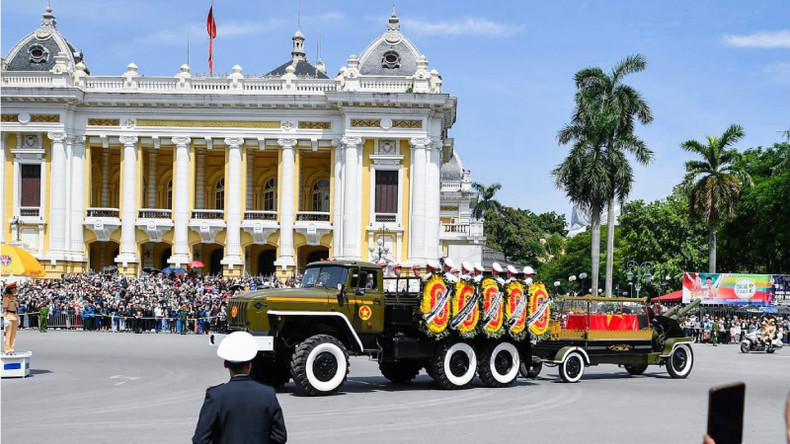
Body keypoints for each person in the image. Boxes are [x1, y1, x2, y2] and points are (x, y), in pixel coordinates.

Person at [192, 331, 287, 444]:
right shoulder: (268, 394)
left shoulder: (215, 396)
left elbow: (200, 439)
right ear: (250, 365)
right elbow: (280, 437)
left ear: (225, 365)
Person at [3, 282, 20, 353]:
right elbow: (5, 310)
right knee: (8, 334)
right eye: (14, 288)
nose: (15, 289)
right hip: (9, 316)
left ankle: (12, 348)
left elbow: (16, 308)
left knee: (13, 334)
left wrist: (18, 317)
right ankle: (7, 349)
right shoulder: (6, 298)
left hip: (15, 316)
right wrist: (5, 319)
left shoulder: (15, 298)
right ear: (11, 289)